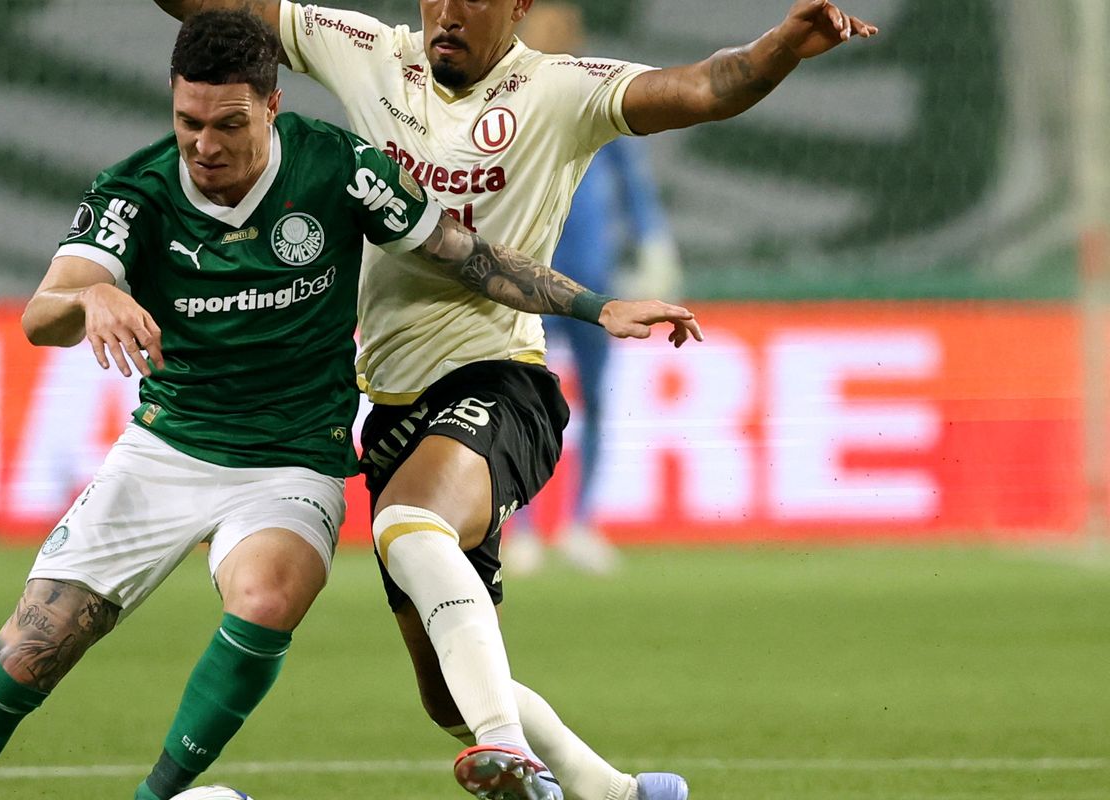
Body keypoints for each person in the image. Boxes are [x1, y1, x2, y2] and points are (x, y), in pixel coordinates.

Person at [0, 11, 699, 800]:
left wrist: (595, 307)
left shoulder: (337, 168)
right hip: (167, 446)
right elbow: (42, 314)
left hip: (292, 460)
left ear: (272, 105)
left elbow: (466, 256)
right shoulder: (135, 190)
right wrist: (91, 296)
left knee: (268, 596)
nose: (205, 146)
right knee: (29, 650)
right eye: (188, 122)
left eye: (228, 124)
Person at [146, 2, 877, 799]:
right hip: (391, 408)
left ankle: (509, 753)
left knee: (407, 524)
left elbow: (706, 87)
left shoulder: (561, 89)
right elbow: (223, 6)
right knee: (446, 696)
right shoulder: (367, 51)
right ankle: (619, 793)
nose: (448, 13)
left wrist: (782, 47)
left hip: (500, 380)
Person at [503, 2, 683, 577]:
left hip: (595, 283)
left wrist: (653, 244)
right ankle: (521, 526)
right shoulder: (511, 110)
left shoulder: (601, 107)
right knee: (522, 398)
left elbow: (635, 188)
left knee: (598, 398)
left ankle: (582, 522)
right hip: (529, 280)